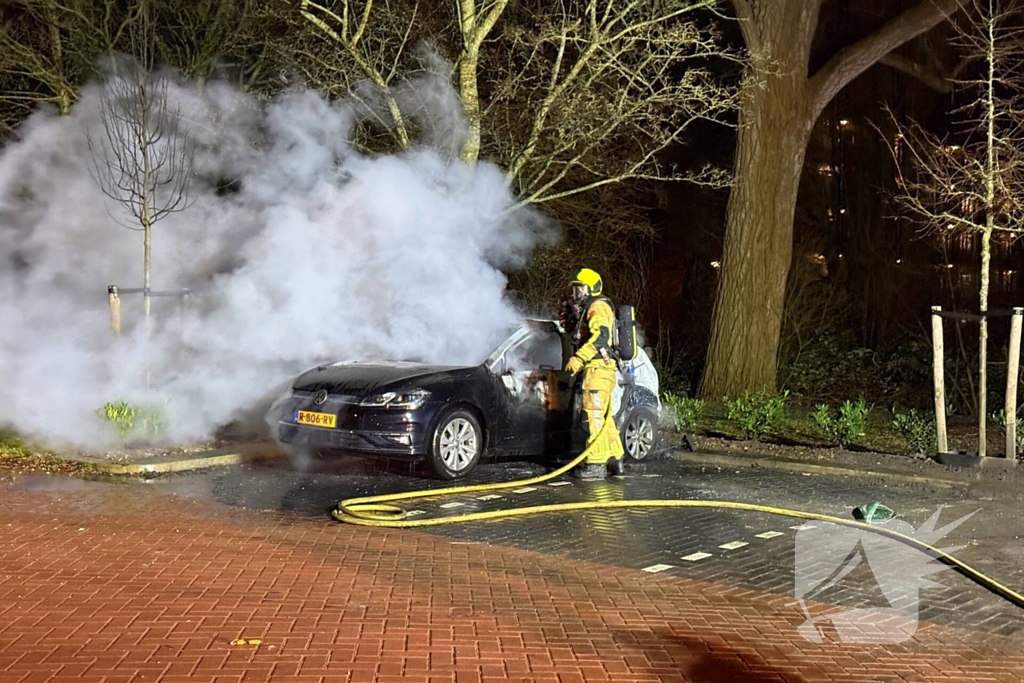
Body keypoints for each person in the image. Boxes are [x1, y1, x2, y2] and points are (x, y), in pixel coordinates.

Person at [563, 268, 624, 480]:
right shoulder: (594, 307)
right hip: (602, 368)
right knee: (605, 418)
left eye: (579, 288)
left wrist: (579, 358)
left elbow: (601, 337)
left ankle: (596, 462)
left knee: (593, 415)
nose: (576, 293)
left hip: (598, 368)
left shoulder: (597, 307)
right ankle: (615, 459)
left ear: (591, 288)